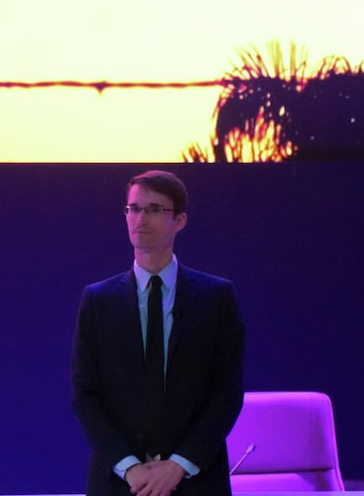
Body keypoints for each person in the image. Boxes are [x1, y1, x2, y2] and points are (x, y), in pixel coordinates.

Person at [72, 170, 245, 496]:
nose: (140, 218)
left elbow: (226, 393)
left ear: (179, 221)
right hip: (118, 483)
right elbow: (85, 395)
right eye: (133, 208)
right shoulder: (98, 300)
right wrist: (129, 467)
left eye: (154, 209)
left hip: (196, 481)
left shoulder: (216, 297)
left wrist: (179, 464)